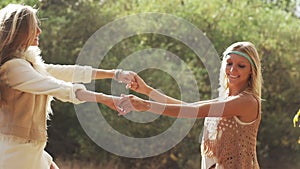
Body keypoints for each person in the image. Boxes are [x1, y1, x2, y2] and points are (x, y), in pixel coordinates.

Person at [0, 4, 135, 169]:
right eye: (34, 27)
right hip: (17, 154)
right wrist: (105, 98)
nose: (39, 31)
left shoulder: (28, 65)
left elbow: (67, 72)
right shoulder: (13, 68)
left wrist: (114, 74)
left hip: (31, 150)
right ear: (20, 32)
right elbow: (56, 86)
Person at [118, 41, 263, 169]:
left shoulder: (247, 102)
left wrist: (146, 105)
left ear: (252, 70)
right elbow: (187, 107)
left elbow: (194, 111)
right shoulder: (226, 98)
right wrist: (147, 90)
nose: (232, 70)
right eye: (229, 63)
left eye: (241, 66)